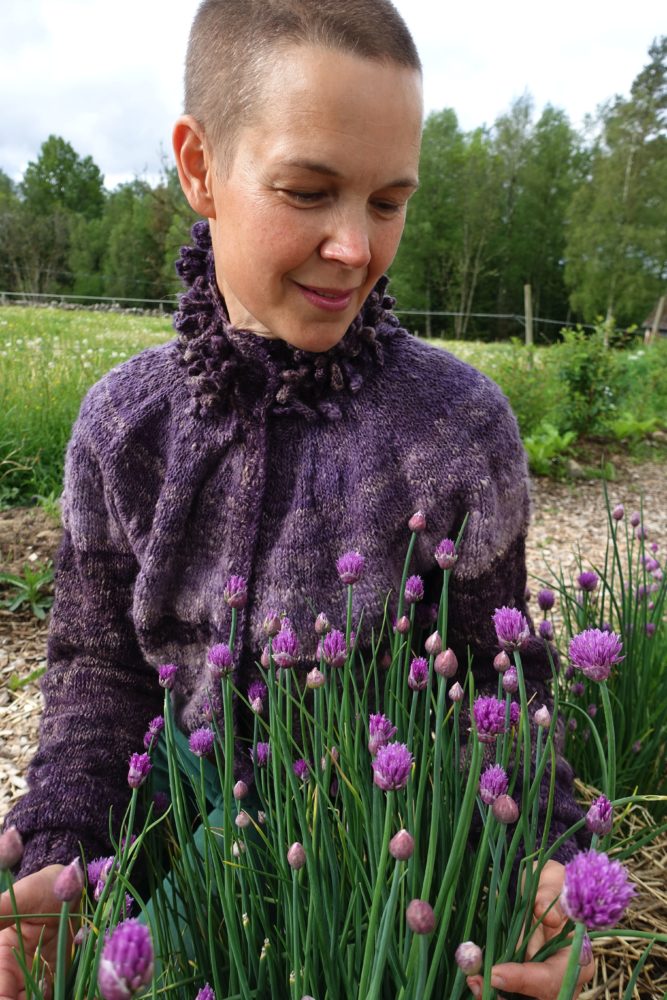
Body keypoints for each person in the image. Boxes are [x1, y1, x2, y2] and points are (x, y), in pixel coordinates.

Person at [0, 2, 594, 997]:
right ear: (198, 166)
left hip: (394, 910)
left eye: (388, 201)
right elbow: (97, 681)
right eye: (309, 191)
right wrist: (55, 858)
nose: (355, 248)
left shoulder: (454, 427)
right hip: (166, 906)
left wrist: (550, 865)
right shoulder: (124, 429)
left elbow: (502, 686)